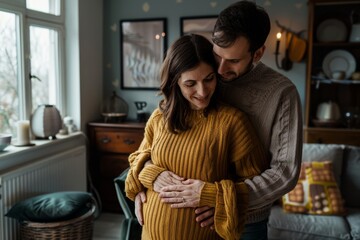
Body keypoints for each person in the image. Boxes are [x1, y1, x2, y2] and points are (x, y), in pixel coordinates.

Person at [133, 1, 303, 239]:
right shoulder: (204, 72)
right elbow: (153, 142)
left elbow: (285, 172)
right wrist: (145, 180)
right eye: (217, 55)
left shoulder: (281, 93)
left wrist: (224, 202)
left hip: (247, 220)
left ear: (258, 53)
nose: (221, 70)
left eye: (233, 61)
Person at [125, 34, 268, 240]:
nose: (202, 91)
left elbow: (255, 182)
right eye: (190, 83)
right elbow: (138, 157)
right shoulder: (159, 117)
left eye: (209, 79)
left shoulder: (232, 122)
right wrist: (151, 174)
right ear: (175, 83)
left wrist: (218, 200)